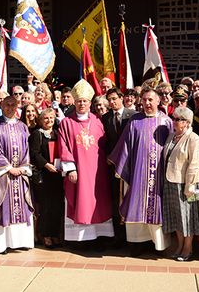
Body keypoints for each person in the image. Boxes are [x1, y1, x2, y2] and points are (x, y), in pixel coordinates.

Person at [109, 88, 172, 256]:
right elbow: (125, 147)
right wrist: (121, 166)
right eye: (144, 100)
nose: (147, 103)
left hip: (158, 175)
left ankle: (158, 245)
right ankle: (137, 244)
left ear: (159, 101)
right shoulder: (135, 121)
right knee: (136, 205)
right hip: (138, 173)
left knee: (156, 207)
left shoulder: (166, 122)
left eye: (151, 99)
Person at [58, 80, 114, 249]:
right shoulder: (66, 123)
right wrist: (71, 169)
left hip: (98, 171)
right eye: (79, 101)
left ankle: (100, 238)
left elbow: (105, 144)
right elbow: (63, 146)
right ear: (74, 102)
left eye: (84, 101)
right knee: (81, 202)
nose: (81, 104)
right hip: (79, 171)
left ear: (90, 103)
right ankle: (80, 240)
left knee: (99, 203)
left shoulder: (98, 121)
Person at [0, 96, 34, 254]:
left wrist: (22, 167)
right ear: (2, 106)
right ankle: (3, 244)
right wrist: (9, 168)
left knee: (22, 205)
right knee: (3, 207)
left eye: (13, 105)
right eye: (7, 105)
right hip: (3, 174)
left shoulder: (23, 126)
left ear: (17, 107)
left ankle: (22, 241)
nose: (10, 108)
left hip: (20, 173)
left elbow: (26, 148)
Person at [162, 107, 199, 261]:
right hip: (170, 182)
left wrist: (190, 186)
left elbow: (194, 164)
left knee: (187, 217)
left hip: (186, 184)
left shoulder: (193, 138)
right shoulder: (171, 136)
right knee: (176, 217)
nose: (175, 121)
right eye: (174, 118)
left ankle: (188, 248)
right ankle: (179, 245)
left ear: (187, 122)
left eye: (179, 119)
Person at [102, 87, 136, 248]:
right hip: (112, 167)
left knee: (130, 199)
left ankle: (133, 237)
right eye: (109, 100)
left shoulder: (133, 116)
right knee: (116, 200)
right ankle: (118, 236)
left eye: (114, 98)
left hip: (131, 167)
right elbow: (105, 141)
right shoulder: (106, 117)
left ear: (122, 98)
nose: (112, 102)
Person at [29, 108, 64, 248]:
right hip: (43, 175)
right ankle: (45, 235)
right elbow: (34, 153)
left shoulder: (57, 133)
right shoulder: (37, 134)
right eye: (46, 118)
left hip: (57, 175)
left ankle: (55, 234)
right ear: (40, 120)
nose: (49, 121)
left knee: (57, 206)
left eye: (51, 118)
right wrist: (46, 165)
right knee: (45, 207)